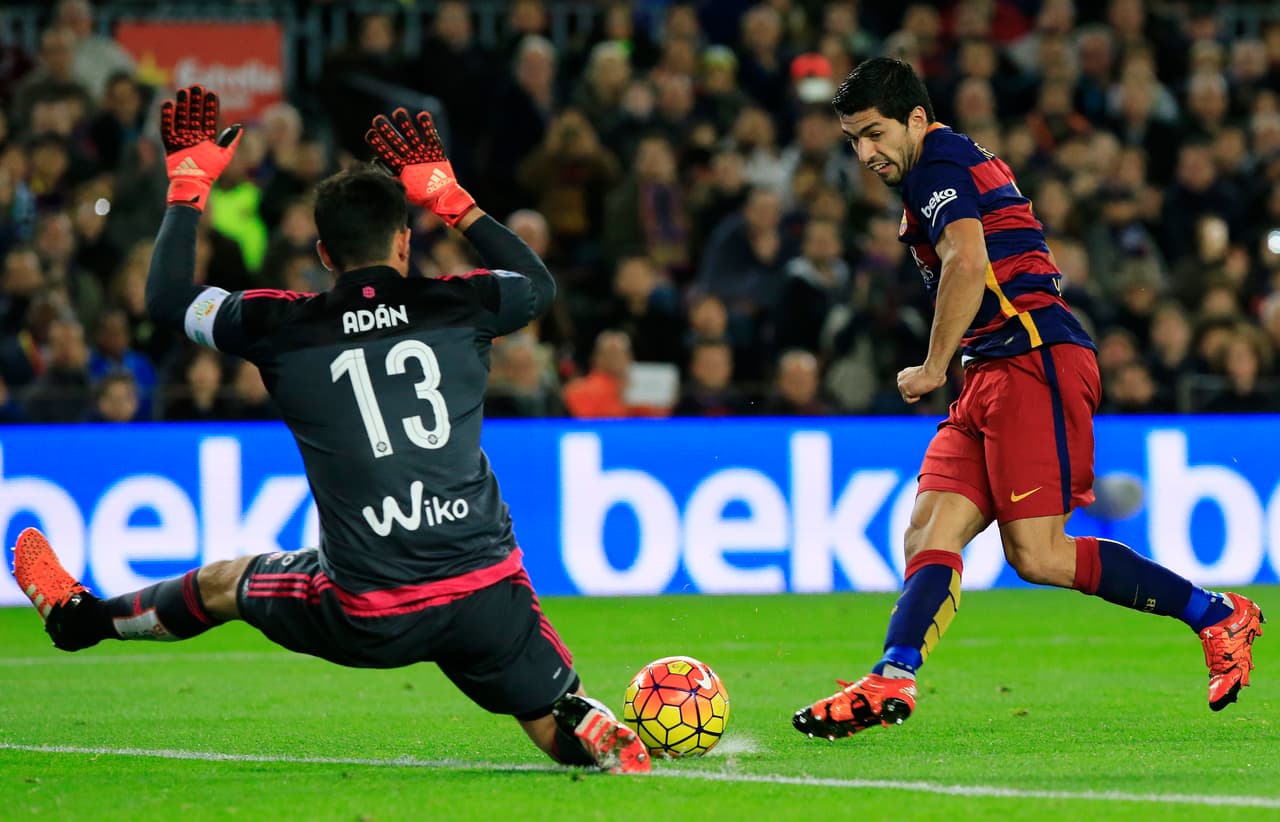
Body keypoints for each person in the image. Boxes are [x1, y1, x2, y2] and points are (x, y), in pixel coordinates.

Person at [11, 85, 649, 775]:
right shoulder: (460, 302)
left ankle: (84, 620)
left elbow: (166, 299)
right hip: (486, 589)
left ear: (322, 251)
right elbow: (540, 285)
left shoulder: (282, 325)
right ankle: (582, 722)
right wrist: (451, 197)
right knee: (548, 712)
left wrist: (188, 184)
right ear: (405, 241)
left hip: (370, 605)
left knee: (228, 582)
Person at [792, 58, 1266, 740]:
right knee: (929, 531)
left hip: (1032, 358)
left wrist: (931, 366)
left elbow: (966, 260)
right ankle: (891, 675)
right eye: (853, 141)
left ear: (916, 120)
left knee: (1037, 553)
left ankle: (1215, 614)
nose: (865, 154)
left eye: (872, 134)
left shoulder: (937, 164)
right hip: (992, 368)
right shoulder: (941, 165)